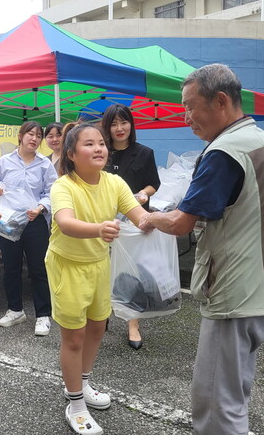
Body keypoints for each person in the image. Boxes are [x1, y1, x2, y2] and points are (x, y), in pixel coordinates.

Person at [139, 64, 264, 435]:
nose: (186, 116)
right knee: (235, 390)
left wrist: (146, 217)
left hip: (234, 296)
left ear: (221, 101)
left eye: (191, 107)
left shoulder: (224, 153)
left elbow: (180, 223)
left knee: (216, 407)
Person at [47, 122, 150, 435]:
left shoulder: (115, 183)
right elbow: (65, 223)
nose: (99, 149)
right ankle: (75, 404)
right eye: (89, 144)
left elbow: (140, 217)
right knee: (74, 337)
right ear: (72, 153)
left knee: (96, 328)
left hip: (98, 264)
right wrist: (99, 229)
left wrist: (166, 220)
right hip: (67, 265)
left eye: (101, 144)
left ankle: (82, 383)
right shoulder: (64, 185)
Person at [0, 121, 58, 336]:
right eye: (30, 134)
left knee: (38, 268)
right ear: (20, 136)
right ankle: (15, 309)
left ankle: (43, 314)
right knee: (11, 267)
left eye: (38, 135)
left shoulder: (45, 164)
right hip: (9, 222)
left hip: (34, 221)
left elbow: (51, 191)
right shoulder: (4, 162)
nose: (34, 139)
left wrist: (41, 207)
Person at [102, 103, 161, 350]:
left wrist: (143, 195)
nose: (119, 128)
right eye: (114, 124)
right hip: (105, 221)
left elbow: (153, 184)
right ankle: (101, 314)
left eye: (123, 122)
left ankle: (132, 324)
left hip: (134, 221)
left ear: (131, 124)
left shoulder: (144, 153)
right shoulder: (101, 152)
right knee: (102, 270)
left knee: (131, 274)